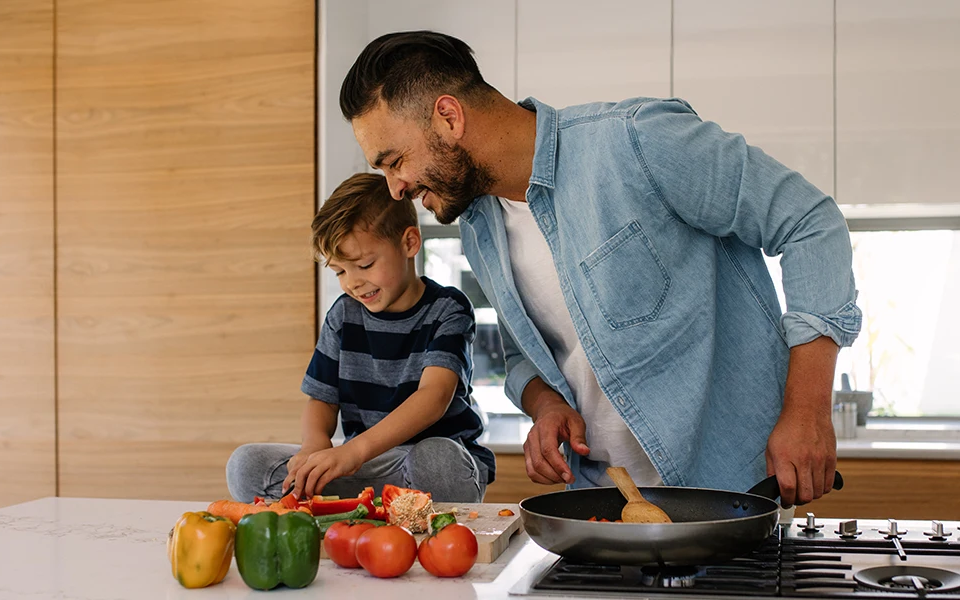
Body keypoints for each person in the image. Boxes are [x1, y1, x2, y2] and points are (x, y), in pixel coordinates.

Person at [337, 31, 860, 506]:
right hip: (602, 504)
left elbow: (811, 222)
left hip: (729, 494)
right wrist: (543, 405)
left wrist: (808, 411)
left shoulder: (636, 142)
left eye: (393, 161)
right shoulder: (479, 226)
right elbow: (527, 351)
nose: (394, 188)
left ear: (449, 118)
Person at [225, 173, 493, 503]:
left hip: (427, 465)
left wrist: (353, 451)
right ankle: (363, 509)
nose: (352, 283)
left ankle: (379, 509)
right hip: (367, 467)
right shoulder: (343, 314)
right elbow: (321, 400)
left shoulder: (448, 308)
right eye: (340, 271)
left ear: (409, 243)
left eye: (364, 265)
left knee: (438, 460)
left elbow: (434, 397)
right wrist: (314, 447)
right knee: (246, 465)